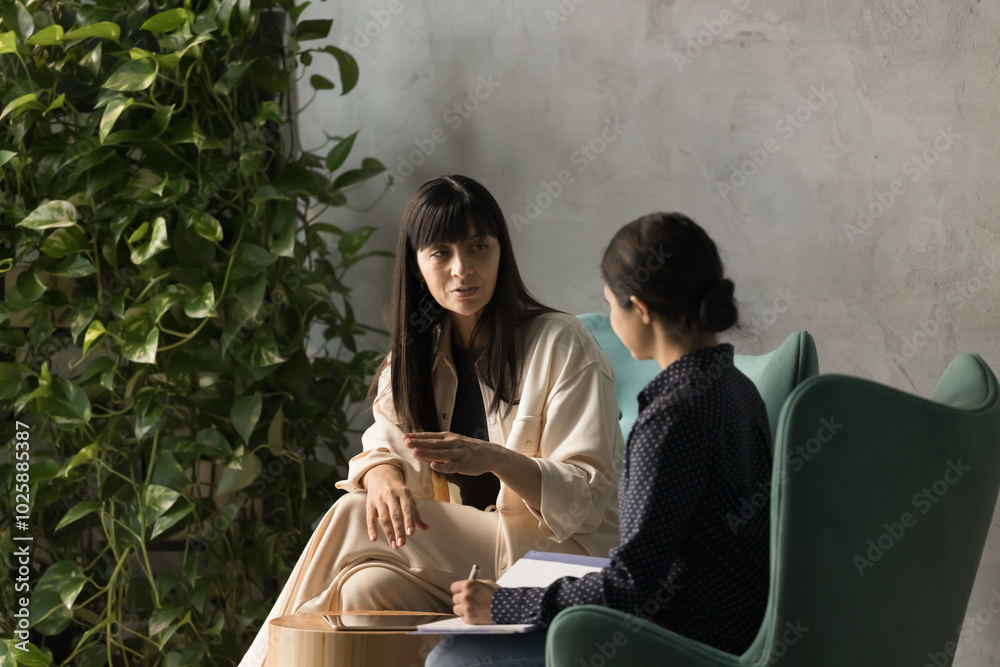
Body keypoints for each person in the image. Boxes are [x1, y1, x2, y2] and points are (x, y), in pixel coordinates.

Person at [237, 175, 624, 667]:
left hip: (556, 562)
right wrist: (381, 474)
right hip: (469, 570)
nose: (462, 269)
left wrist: (495, 460)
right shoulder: (415, 356)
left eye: (479, 247)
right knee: (363, 590)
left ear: (501, 252)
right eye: (440, 253)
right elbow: (382, 439)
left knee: (352, 516)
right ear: (418, 266)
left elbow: (587, 496)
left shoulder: (561, 342)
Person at [427, 212, 773, 667]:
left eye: (611, 305)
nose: (609, 317)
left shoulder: (670, 417)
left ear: (641, 308)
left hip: (680, 641)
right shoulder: (737, 388)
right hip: (740, 630)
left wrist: (504, 604)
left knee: (451, 657)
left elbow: (630, 587)